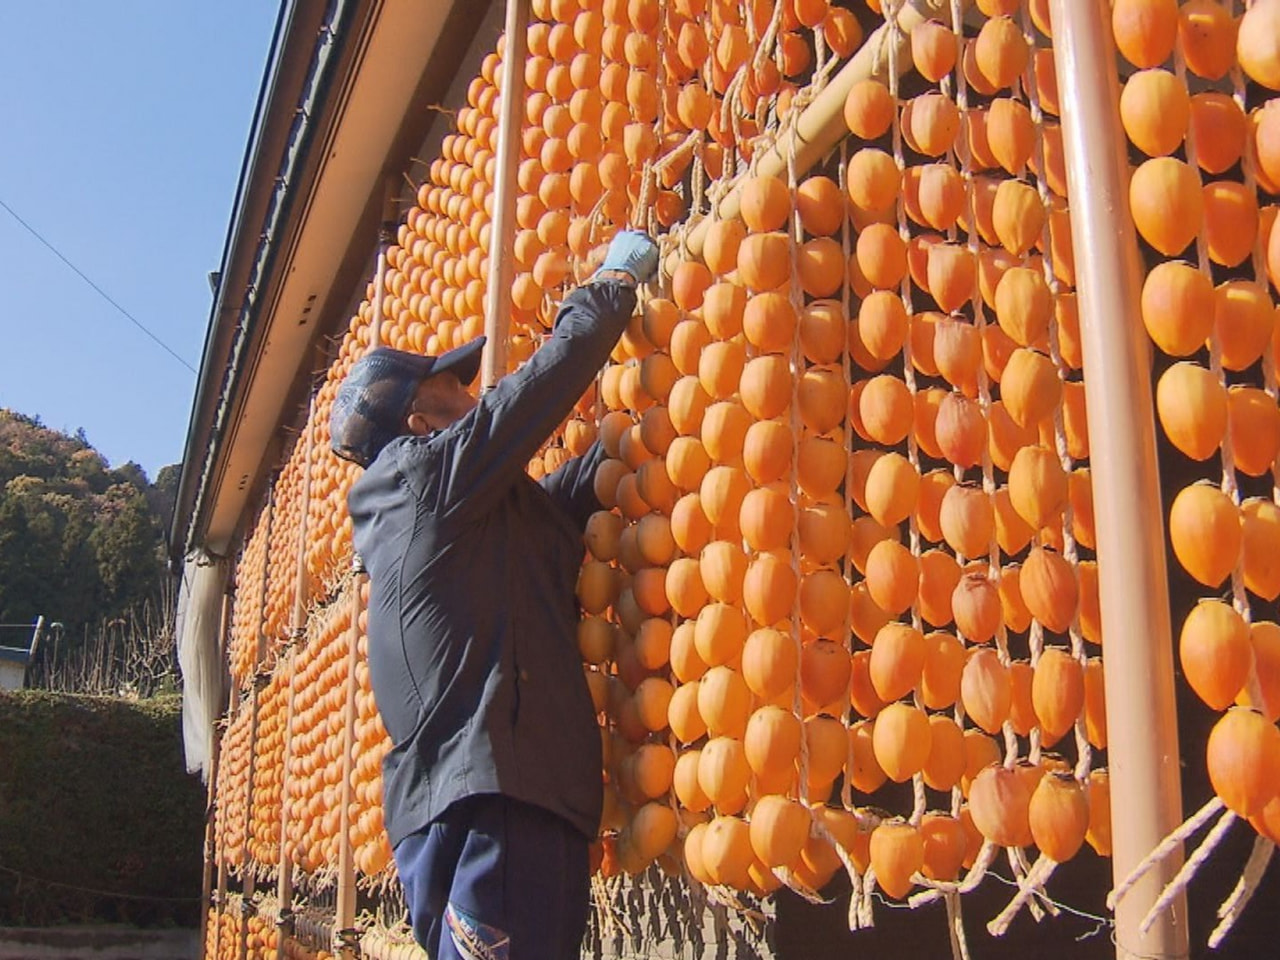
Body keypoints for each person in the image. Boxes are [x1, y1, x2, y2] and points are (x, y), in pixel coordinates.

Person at [329, 230, 660, 960]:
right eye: (455, 388)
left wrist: (650, 410)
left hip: (494, 802)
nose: (473, 396)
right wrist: (608, 289)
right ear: (421, 426)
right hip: (496, 801)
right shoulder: (418, 481)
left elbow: (561, 507)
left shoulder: (468, 517)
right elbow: (526, 401)